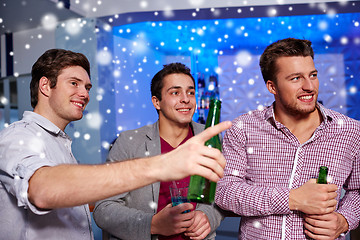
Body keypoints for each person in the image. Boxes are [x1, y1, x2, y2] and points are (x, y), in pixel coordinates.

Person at [0, 49, 231, 240]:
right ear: (45, 86)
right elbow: (43, 191)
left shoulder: (59, 142)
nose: (84, 94)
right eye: (74, 83)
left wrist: (207, 216)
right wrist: (161, 169)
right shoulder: (18, 137)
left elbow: (226, 194)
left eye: (87, 87)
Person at [215, 38, 360, 239]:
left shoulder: (351, 131)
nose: (309, 86)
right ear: (272, 87)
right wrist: (292, 199)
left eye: (313, 75)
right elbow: (224, 192)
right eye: (296, 78)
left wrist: (345, 220)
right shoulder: (243, 128)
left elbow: (358, 191)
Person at [93, 63, 224, 240]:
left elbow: (224, 194)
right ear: (157, 102)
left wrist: (208, 215)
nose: (186, 99)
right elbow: (104, 208)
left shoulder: (210, 138)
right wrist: (152, 224)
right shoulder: (129, 143)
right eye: (175, 92)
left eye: (191, 92)